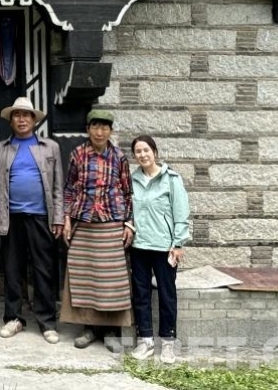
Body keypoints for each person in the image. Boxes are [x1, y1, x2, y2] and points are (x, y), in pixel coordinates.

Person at [0, 97, 64, 344]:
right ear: (11, 120)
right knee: (12, 270)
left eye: (26, 115)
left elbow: (58, 186)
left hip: (41, 217)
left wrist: (59, 218)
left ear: (33, 120)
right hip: (11, 218)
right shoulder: (1, 148)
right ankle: (14, 318)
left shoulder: (50, 147)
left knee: (43, 270)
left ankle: (47, 322)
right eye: (16, 115)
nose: (21, 119)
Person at [61, 109, 134, 351]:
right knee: (86, 276)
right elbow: (69, 189)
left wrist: (129, 223)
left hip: (112, 223)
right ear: (88, 129)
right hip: (84, 223)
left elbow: (128, 192)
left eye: (104, 127)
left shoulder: (119, 157)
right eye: (95, 127)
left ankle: (111, 331)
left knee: (111, 279)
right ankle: (89, 328)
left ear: (110, 131)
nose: (99, 132)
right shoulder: (78, 154)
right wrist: (66, 219)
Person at [129, 134, 190, 364]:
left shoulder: (171, 179)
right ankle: (145, 340)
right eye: (138, 151)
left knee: (167, 295)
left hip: (165, 247)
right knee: (141, 294)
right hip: (139, 246)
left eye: (146, 150)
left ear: (154, 152)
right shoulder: (132, 180)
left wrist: (178, 243)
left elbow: (181, 212)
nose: (143, 155)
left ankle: (168, 343)